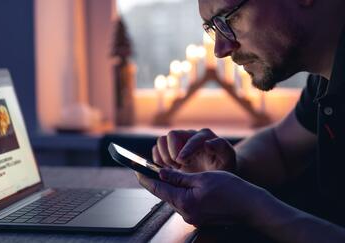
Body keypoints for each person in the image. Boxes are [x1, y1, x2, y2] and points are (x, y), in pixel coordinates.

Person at [136, 0, 345, 242]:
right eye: (213, 28)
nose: (220, 49)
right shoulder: (326, 80)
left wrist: (252, 209)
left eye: (229, 17)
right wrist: (228, 166)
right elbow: (280, 147)